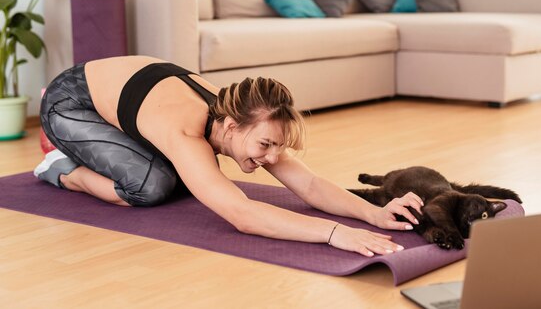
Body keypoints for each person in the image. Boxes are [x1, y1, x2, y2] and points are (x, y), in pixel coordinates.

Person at [36, 55, 423, 257]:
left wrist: (373, 213)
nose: (272, 158)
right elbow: (243, 215)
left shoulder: (247, 117)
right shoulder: (187, 131)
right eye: (265, 146)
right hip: (70, 103)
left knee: (190, 180)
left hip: (125, 107)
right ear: (231, 127)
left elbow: (308, 183)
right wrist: (334, 233)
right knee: (151, 185)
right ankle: (60, 164)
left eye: (278, 147)